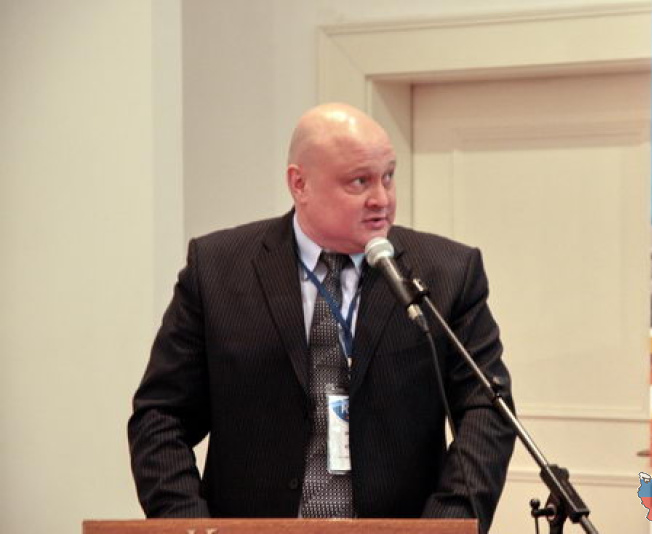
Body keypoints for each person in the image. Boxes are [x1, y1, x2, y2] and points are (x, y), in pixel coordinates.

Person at [128, 103, 516, 532]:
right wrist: (188, 526)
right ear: (300, 184)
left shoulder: (446, 273)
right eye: (359, 181)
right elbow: (160, 418)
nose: (382, 199)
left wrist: (446, 525)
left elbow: (488, 411)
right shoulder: (217, 270)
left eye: (388, 176)